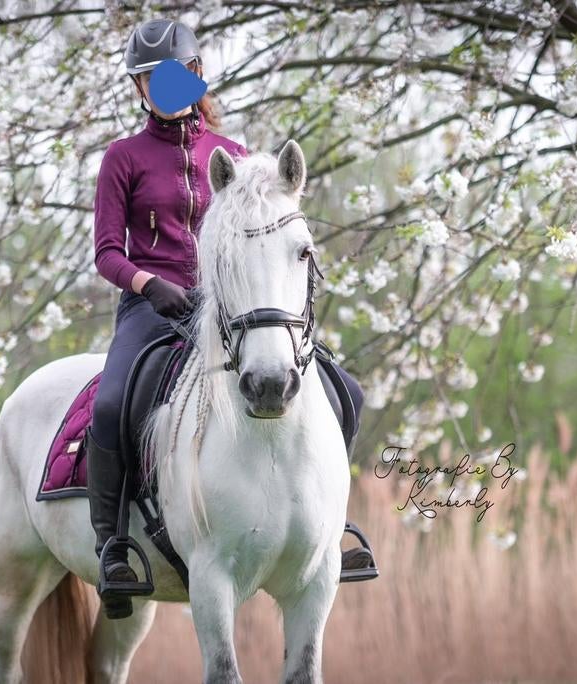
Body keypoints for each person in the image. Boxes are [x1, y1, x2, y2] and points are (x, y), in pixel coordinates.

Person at [87, 18, 374, 621]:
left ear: (194, 76)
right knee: (112, 402)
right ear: (141, 88)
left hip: (232, 309)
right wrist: (149, 284)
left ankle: (330, 522)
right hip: (152, 306)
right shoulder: (123, 158)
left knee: (345, 391)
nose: (160, 88)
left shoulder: (237, 157)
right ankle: (113, 543)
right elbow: (107, 252)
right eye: (148, 80)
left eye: (171, 76)